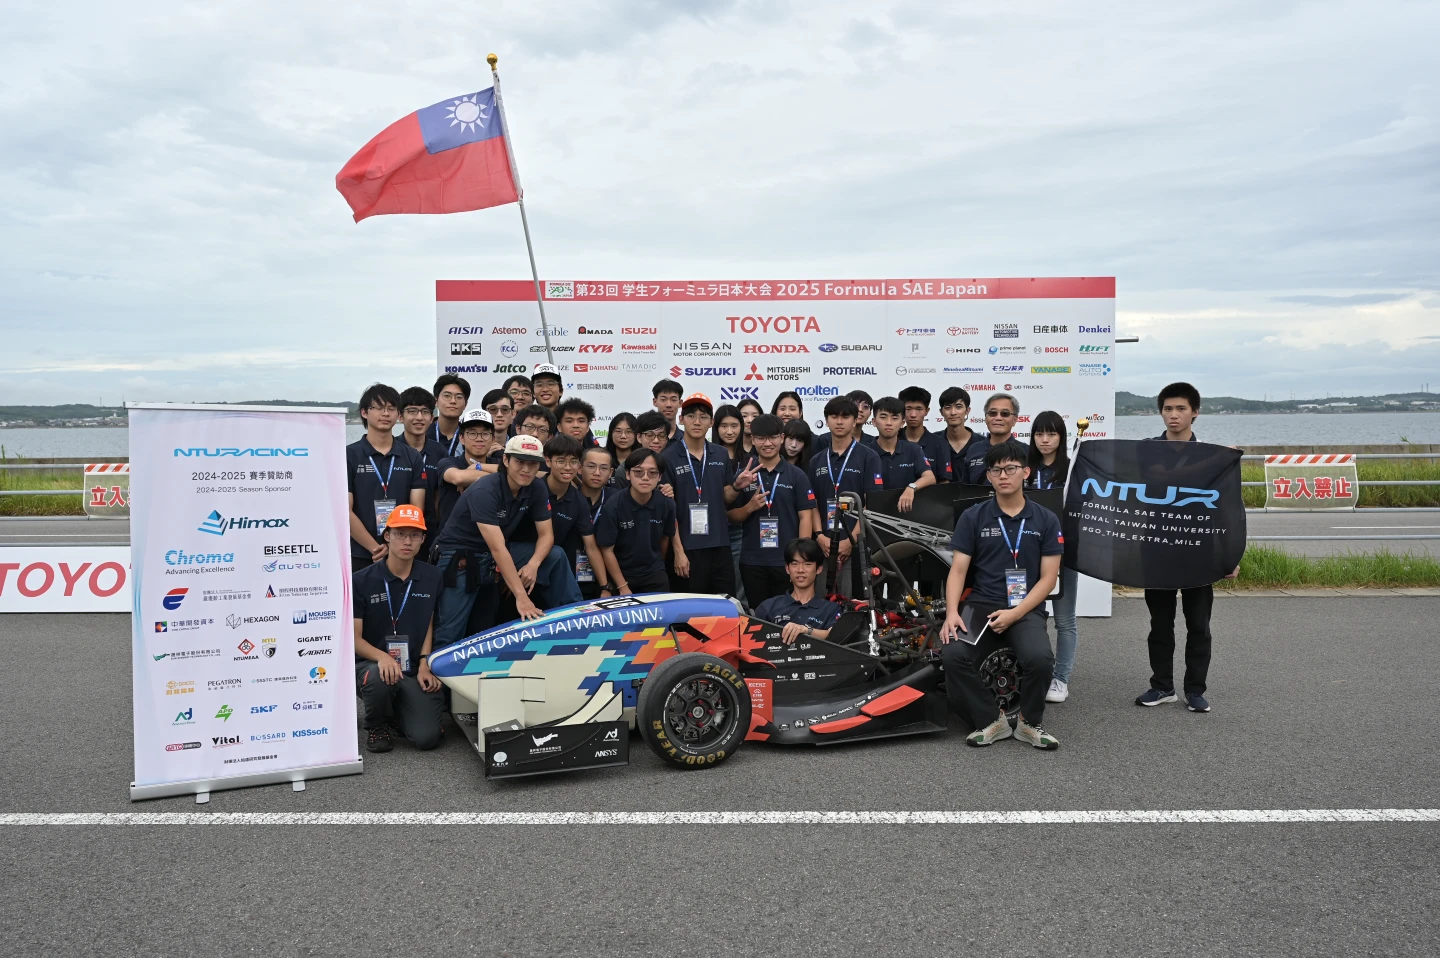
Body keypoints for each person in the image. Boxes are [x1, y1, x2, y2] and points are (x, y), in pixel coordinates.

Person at [939, 441, 1063, 750]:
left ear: (1026, 472)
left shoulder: (1046, 519)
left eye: (1010, 469)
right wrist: (952, 612)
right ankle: (991, 720)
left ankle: (1029, 723)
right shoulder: (973, 517)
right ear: (989, 476)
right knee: (952, 654)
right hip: (981, 603)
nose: (1003, 476)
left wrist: (1016, 613)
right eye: (996, 470)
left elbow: (1049, 579)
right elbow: (958, 571)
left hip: (1025, 608)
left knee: (1040, 659)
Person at [432, 435, 582, 644]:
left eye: (532, 463)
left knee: (555, 555)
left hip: (495, 553)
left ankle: (576, 622)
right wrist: (522, 597)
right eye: (519, 462)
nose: (526, 469)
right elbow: (498, 548)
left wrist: (533, 564)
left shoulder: (536, 487)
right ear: (506, 460)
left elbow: (547, 535)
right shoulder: (485, 489)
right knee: (449, 632)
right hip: (461, 555)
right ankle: (434, 663)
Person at [1137, 381, 1225, 714]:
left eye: (1181, 408)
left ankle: (1195, 690)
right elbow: (1160, 479)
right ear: (1161, 412)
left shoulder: (1213, 453)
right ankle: (1162, 686)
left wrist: (1229, 554)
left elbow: (1225, 508)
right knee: (1160, 623)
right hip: (1157, 546)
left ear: (1195, 412)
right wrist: (1212, 463)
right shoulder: (1148, 449)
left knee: (1198, 624)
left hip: (1199, 549)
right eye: (1168, 408)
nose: (1174, 415)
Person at [351, 503, 445, 753]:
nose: (407, 541)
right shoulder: (361, 580)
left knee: (427, 738)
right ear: (387, 536)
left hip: (411, 668)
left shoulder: (433, 576)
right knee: (378, 677)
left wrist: (425, 662)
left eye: (415, 535)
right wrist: (382, 657)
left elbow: (429, 623)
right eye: (400, 534)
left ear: (423, 539)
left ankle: (398, 714)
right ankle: (377, 724)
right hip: (373, 664)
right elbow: (354, 638)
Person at [728, 414, 819, 609]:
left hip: (786, 561)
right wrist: (749, 507)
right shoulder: (745, 474)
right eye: (761, 438)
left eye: (773, 437)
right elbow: (732, 516)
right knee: (759, 615)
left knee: (789, 614)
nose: (767, 443)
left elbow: (806, 516)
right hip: (752, 560)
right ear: (753, 439)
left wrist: (799, 558)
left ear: (782, 438)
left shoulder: (796, 475)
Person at [663, 393, 744, 595]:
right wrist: (678, 551)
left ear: (712, 422)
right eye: (691, 416)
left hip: (720, 545)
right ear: (681, 419)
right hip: (687, 548)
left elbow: (725, 498)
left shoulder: (720, 453)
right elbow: (668, 511)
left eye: (703, 417)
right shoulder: (668, 457)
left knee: (725, 605)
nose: (697, 422)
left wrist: (736, 486)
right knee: (691, 608)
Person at [1025, 411, 1077, 704]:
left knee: (1065, 620)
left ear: (1061, 437)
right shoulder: (1024, 468)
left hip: (1062, 552)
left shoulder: (1073, 468)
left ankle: (1061, 678)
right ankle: (1034, 671)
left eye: (1051, 434)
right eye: (1039, 434)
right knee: (1030, 614)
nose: (1045, 440)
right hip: (1027, 552)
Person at [347, 383, 426, 573]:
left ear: (398, 414)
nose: (385, 413)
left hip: (401, 552)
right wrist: (375, 548)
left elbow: (415, 509)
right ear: (364, 412)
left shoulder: (412, 456)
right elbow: (344, 510)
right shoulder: (349, 455)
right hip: (359, 552)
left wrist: (395, 546)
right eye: (379, 408)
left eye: (391, 408)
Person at [810, 396, 882, 595]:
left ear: (855, 420)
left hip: (856, 544)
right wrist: (819, 536)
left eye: (845, 417)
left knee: (853, 602)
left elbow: (870, 503)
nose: (839, 422)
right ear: (826, 421)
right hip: (824, 545)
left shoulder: (869, 456)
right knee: (823, 601)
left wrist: (851, 541)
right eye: (834, 416)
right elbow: (812, 503)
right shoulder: (817, 460)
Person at [596, 449, 686, 594]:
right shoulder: (613, 505)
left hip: (654, 573)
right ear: (627, 474)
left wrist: (658, 565)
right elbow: (607, 550)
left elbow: (665, 538)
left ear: (660, 477)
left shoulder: (666, 504)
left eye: (652, 473)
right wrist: (622, 586)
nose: (645, 478)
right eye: (638, 472)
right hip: (620, 573)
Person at [542, 435, 610, 602]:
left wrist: (604, 587)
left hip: (553, 566)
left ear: (579, 466)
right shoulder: (534, 489)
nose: (567, 467)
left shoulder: (579, 501)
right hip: (521, 560)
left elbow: (591, 546)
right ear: (548, 461)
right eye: (561, 461)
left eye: (573, 462)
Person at [754, 538, 842, 645]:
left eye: (807, 564)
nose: (800, 570)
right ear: (787, 569)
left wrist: (806, 630)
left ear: (819, 569)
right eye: (794, 564)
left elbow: (835, 637)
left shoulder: (830, 609)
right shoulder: (768, 607)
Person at [398, 385, 453, 555]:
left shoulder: (439, 451)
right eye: (412, 411)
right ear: (400, 416)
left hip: (429, 534)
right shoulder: (393, 450)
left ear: (431, 418)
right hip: (396, 533)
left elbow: (440, 496)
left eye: (425, 412)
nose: (419, 417)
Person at [435, 409, 495, 537]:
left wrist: (478, 467)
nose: (479, 439)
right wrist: (501, 477)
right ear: (461, 438)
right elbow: (459, 478)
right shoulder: (448, 462)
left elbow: (530, 474)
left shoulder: (498, 463)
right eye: (472, 433)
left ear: (493, 438)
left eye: (485, 434)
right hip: (452, 540)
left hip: (487, 541)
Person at [870, 396, 936, 512]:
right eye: (883, 417)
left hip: (906, 516)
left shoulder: (913, 449)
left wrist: (911, 487)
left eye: (895, 418)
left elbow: (930, 477)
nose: (889, 423)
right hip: (871, 515)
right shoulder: (865, 451)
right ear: (874, 422)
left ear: (902, 423)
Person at [712, 403, 749, 604]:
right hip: (712, 531)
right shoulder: (708, 458)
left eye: (734, 426)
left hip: (740, 531)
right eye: (724, 426)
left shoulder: (749, 460)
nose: (729, 431)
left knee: (739, 585)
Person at [575, 445, 617, 599]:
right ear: (579, 468)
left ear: (611, 472)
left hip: (610, 579)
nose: (597, 473)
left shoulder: (617, 500)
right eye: (591, 466)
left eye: (603, 468)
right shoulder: (569, 497)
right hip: (571, 576)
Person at [962, 393, 1021, 485]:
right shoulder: (974, 449)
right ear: (986, 418)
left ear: (1015, 419)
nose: (998, 418)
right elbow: (965, 487)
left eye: (1005, 414)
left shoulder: (1025, 451)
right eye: (992, 413)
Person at [931, 387, 983, 483]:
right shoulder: (932, 442)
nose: (953, 412)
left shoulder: (982, 443)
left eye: (958, 407)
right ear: (941, 412)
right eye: (948, 407)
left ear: (967, 410)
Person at [633, 411, 678, 495]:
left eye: (661, 436)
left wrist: (669, 498)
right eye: (650, 435)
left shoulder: (674, 465)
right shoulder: (628, 467)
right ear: (639, 437)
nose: (656, 441)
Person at [430, 374, 471, 456]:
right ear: (436, 401)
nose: (453, 401)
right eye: (447, 396)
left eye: (459, 397)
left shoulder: (471, 438)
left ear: (465, 404)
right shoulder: (422, 434)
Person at [604, 412, 639, 486]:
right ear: (611, 433)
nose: (623, 436)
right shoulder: (602, 458)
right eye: (618, 431)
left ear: (637, 435)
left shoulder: (643, 459)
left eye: (628, 432)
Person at [481, 389, 515, 456]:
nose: (499, 414)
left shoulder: (519, 446)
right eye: (493, 409)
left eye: (505, 409)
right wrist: (482, 458)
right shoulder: (470, 443)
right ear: (483, 414)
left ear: (512, 414)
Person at [651, 379, 684, 445]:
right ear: (655, 402)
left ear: (680, 403)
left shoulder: (686, 439)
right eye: (663, 400)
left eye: (673, 400)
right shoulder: (644, 438)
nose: (668, 405)